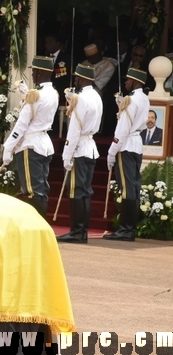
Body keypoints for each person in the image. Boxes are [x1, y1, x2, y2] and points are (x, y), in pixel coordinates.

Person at [2, 56, 59, 218]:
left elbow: (21, 125)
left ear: (40, 72)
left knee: (32, 191)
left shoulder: (35, 96)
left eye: (34, 70)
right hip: (43, 145)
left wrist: (8, 147)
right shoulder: (52, 93)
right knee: (41, 189)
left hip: (30, 146)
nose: (32, 74)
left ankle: (37, 227)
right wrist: (27, 97)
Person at [56, 64, 103, 243]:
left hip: (80, 149)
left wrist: (66, 155)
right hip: (89, 147)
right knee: (85, 191)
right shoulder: (96, 96)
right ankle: (81, 231)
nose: (75, 80)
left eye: (77, 77)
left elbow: (74, 130)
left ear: (82, 79)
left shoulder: (81, 98)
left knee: (76, 191)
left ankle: (77, 231)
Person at [105, 68, 150, 242]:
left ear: (135, 82)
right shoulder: (144, 98)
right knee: (133, 187)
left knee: (127, 189)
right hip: (136, 144)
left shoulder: (131, 100)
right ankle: (129, 228)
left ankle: (125, 229)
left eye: (128, 80)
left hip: (126, 145)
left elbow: (122, 129)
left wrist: (111, 152)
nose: (125, 82)